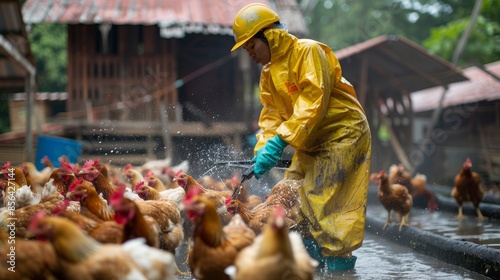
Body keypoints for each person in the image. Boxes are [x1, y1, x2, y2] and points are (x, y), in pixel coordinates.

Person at [231, 3, 372, 271]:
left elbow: (312, 102)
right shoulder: (267, 73)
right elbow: (271, 116)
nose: (250, 54)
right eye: (246, 49)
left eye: (252, 46)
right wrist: (263, 147)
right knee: (290, 194)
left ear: (269, 35)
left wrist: (279, 141)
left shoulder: (307, 51)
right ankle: (311, 265)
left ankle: (340, 268)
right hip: (309, 140)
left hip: (341, 132)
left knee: (323, 199)